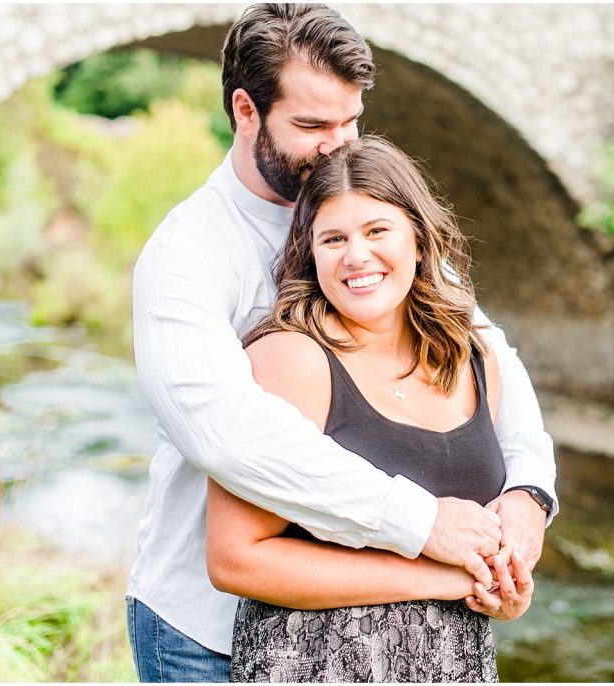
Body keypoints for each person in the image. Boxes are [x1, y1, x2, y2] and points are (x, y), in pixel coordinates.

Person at [127, 4, 557, 682]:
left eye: (350, 120)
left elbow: (484, 349)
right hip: (206, 631)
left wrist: (529, 493)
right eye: (311, 125)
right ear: (246, 110)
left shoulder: (368, 214)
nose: (337, 144)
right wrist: (425, 530)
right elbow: (228, 435)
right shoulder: (188, 257)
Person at [207, 135, 530, 682]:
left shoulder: (473, 358)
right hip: (316, 663)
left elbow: (487, 537)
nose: (357, 256)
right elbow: (236, 558)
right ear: (310, 252)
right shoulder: (291, 361)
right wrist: (442, 579)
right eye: (333, 238)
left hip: (458, 664)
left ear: (420, 241)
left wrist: (506, 590)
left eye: (377, 230)